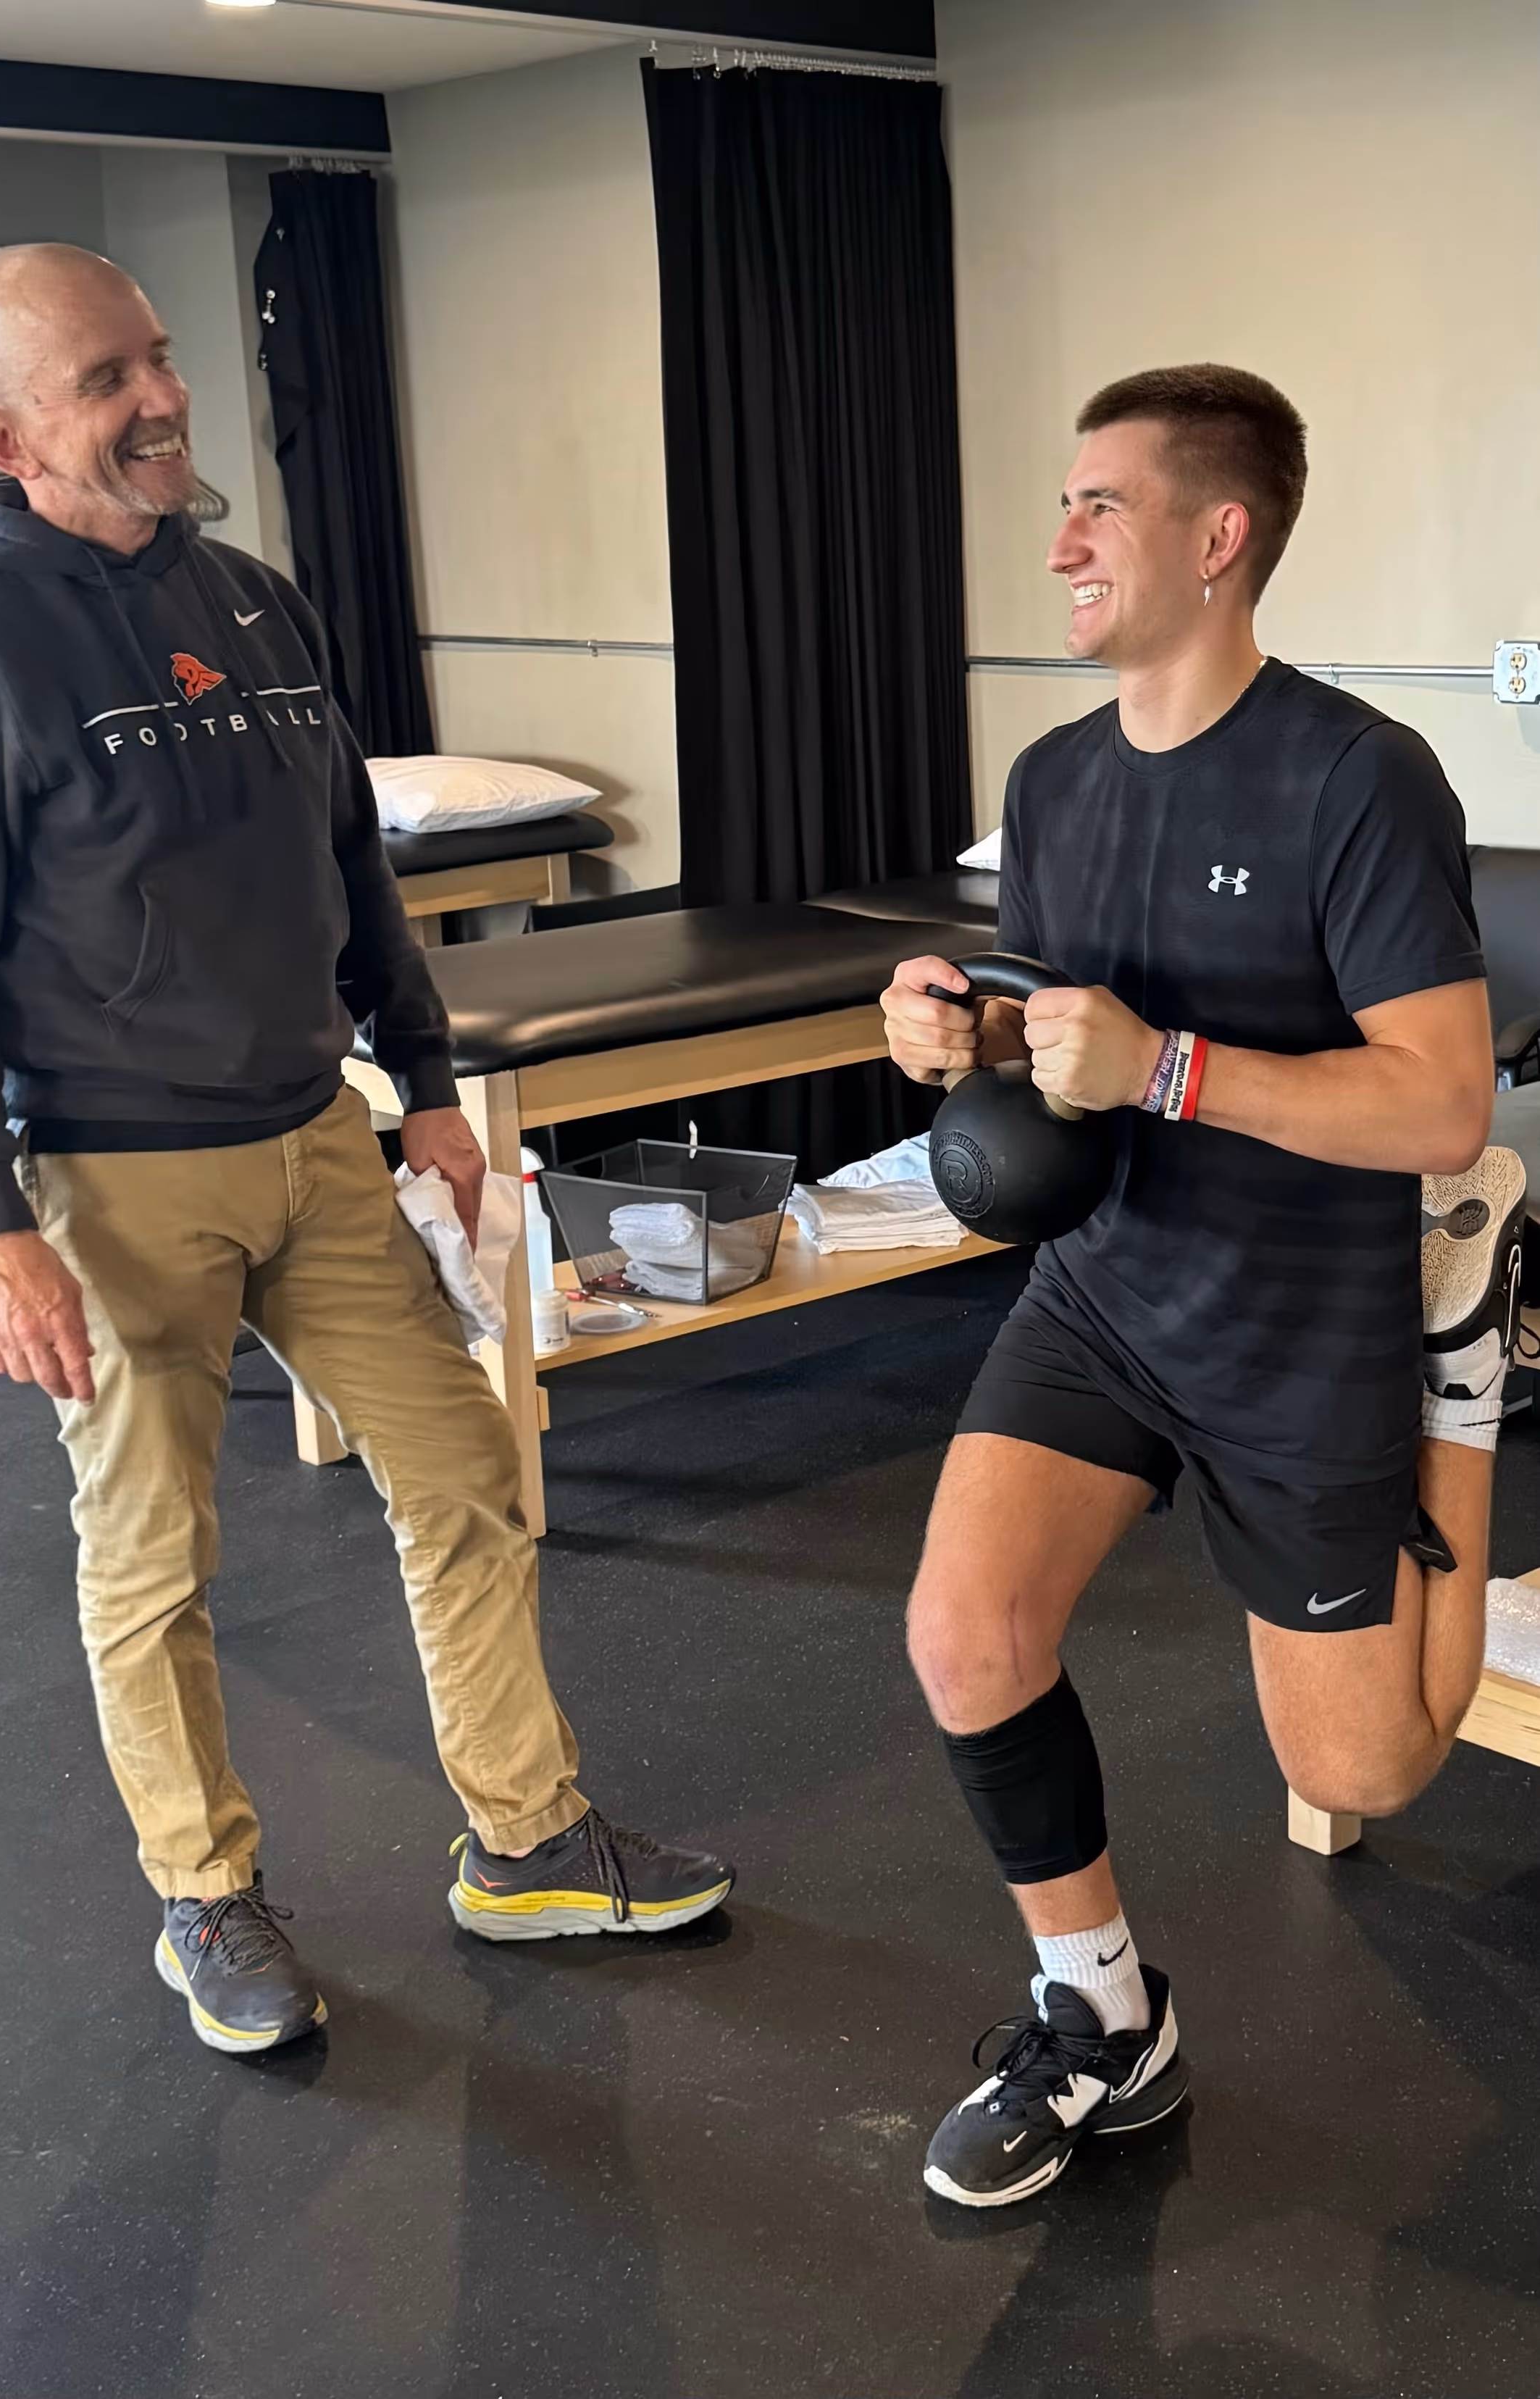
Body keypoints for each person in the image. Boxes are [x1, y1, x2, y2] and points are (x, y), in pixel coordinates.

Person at [0, 243, 733, 2057]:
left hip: (315, 1138)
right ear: (4, 427)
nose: (160, 399)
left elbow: (352, 868)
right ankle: (205, 1894)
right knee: (155, 1560)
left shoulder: (252, 599)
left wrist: (419, 1082)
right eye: (107, 380)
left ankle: (526, 1839)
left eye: (158, 359)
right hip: (104, 1180)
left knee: (465, 1473)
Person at [881, 364, 1524, 2207]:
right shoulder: (1055, 776)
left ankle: (1461, 1379)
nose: (1059, 537)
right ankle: (1100, 2014)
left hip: (1295, 1310)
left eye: (1101, 503)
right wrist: (955, 1032)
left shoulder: (1353, 776)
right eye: (1064, 501)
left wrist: (1167, 1067)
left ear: (1216, 536)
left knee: (1375, 1763)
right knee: (963, 1631)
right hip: (1103, 1285)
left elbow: (1443, 1102)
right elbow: (1063, 1032)